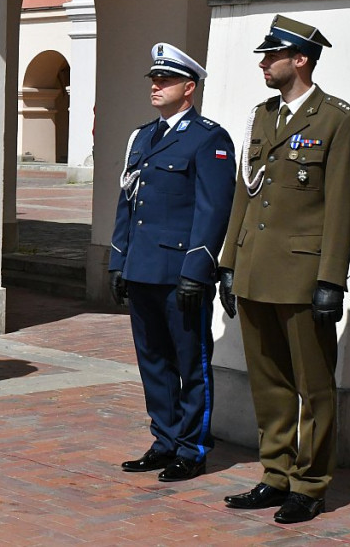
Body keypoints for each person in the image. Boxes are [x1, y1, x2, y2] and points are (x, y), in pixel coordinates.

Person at [218, 15, 350, 524]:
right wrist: (229, 263)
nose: (263, 63)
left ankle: (310, 484)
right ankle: (275, 474)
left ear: (299, 59)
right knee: (269, 381)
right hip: (257, 270)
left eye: (271, 55)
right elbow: (246, 192)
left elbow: (342, 207)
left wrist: (331, 279)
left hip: (303, 276)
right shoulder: (262, 116)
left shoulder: (339, 119)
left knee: (314, 386)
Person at [108, 44, 235, 482]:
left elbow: (213, 210)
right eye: (154, 79)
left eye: (165, 80)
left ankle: (192, 447)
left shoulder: (208, 137)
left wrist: (197, 271)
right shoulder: (143, 136)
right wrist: (118, 261)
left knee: (190, 362)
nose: (156, 86)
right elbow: (128, 200)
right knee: (153, 361)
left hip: (181, 272)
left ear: (189, 87)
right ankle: (163, 440)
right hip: (141, 268)